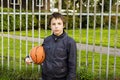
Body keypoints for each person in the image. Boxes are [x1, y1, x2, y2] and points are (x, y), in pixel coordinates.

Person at [25, 12, 77, 80]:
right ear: (50, 26)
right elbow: (39, 53)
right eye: (53, 24)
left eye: (59, 23)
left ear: (63, 25)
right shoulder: (47, 40)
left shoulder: (70, 42)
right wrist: (28, 58)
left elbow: (72, 65)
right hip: (46, 77)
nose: (56, 26)